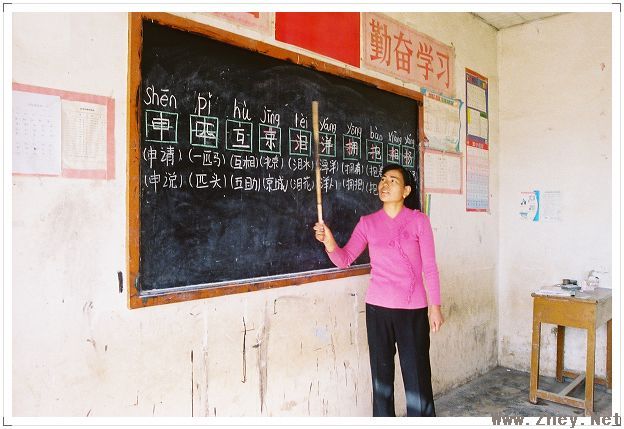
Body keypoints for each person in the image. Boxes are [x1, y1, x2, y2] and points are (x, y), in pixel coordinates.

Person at [313, 163, 443, 417]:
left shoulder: (419, 221)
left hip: (413, 310)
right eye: (383, 179)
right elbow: (345, 258)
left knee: (417, 378)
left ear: (406, 190)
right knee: (381, 381)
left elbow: (430, 266)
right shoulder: (368, 223)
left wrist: (435, 306)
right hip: (378, 309)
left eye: (392, 180)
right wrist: (329, 241)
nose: (385, 184)